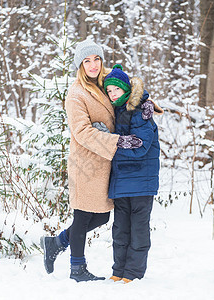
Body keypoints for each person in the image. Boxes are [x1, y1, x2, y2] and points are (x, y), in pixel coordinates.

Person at [39, 39, 145, 282]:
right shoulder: (76, 93)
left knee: (102, 216)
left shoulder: (108, 79)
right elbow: (82, 132)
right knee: (84, 215)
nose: (93, 64)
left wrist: (146, 104)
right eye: (87, 61)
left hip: (106, 162)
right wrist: (116, 141)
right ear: (80, 65)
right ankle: (77, 269)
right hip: (86, 162)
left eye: (96, 59)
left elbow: (132, 91)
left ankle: (57, 242)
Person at [103, 64, 163, 283]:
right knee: (120, 229)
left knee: (138, 229)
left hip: (140, 181)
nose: (112, 94)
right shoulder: (118, 110)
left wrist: (112, 144)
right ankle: (119, 270)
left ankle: (134, 273)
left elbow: (140, 146)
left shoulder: (140, 111)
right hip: (122, 182)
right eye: (108, 91)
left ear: (126, 89)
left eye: (116, 90)